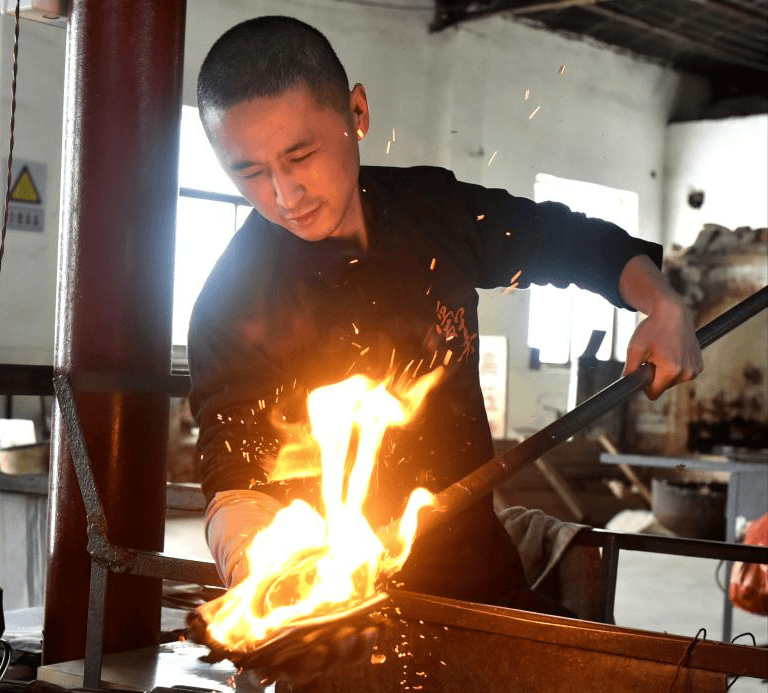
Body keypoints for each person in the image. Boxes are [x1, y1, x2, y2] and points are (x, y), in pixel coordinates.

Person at [188, 14, 702, 682]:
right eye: (250, 172)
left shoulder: (433, 211)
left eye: (299, 156)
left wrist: (659, 302)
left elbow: (566, 241)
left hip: (479, 584)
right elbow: (233, 473)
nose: (284, 196)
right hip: (339, 631)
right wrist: (267, 573)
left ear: (357, 112)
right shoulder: (231, 300)